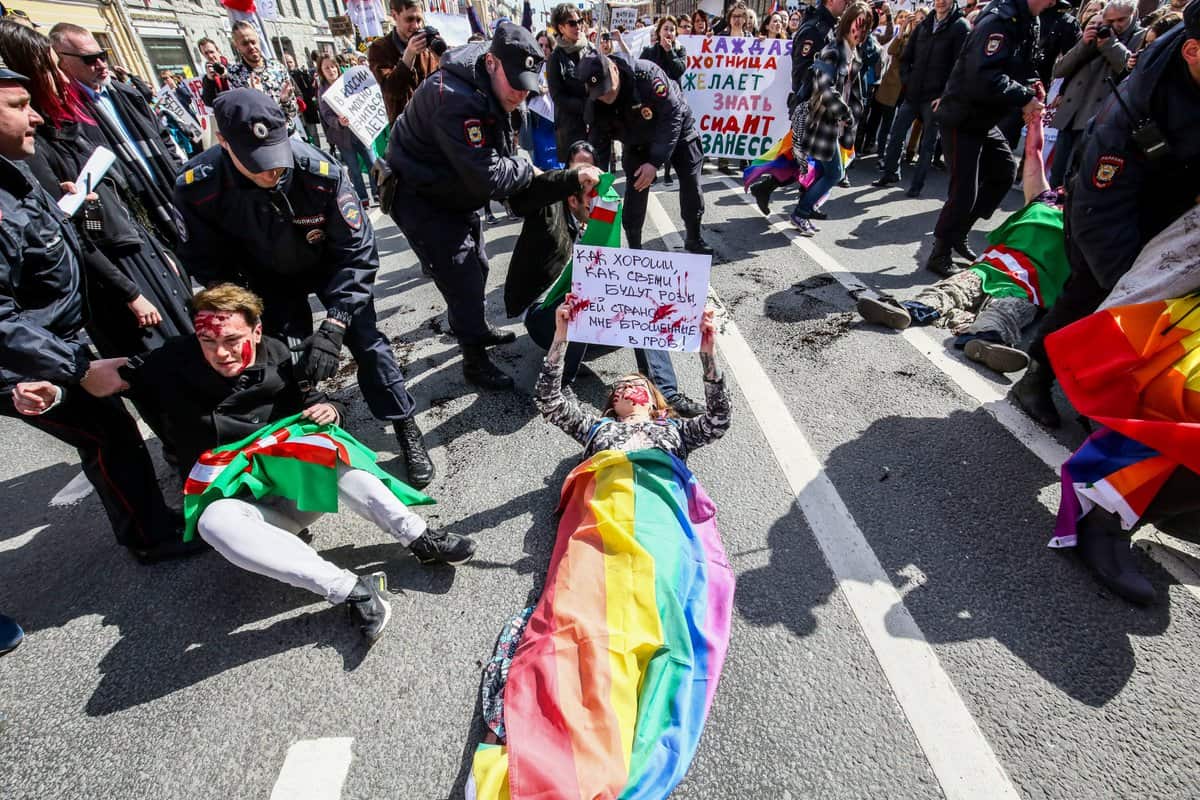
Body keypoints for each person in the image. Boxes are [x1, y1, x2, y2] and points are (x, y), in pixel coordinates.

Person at [56, 284, 470, 640]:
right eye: (209, 342)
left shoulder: (280, 354)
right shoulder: (170, 361)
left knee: (326, 445)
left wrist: (331, 410)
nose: (221, 352)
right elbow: (100, 375)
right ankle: (351, 590)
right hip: (243, 505)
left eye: (233, 339)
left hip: (297, 491)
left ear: (255, 331)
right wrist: (52, 388)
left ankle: (419, 537)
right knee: (212, 523)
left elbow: (315, 405)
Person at [173, 89, 434, 488]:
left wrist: (335, 324)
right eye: (257, 164)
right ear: (223, 142)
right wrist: (246, 309)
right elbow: (208, 266)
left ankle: (402, 421)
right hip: (263, 279)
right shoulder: (199, 187)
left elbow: (358, 254)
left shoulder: (319, 172)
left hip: (331, 265)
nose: (270, 173)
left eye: (275, 160)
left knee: (366, 342)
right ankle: (307, 424)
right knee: (282, 353)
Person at [0, 57, 196, 563]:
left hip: (53, 343)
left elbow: (64, 247)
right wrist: (79, 369)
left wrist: (78, 210)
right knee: (107, 432)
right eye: (18, 106)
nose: (36, 117)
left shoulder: (16, 175)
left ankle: (152, 522)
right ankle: (149, 538)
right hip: (26, 360)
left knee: (113, 431)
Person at [1012, 1, 1200, 428]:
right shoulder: (1136, 109)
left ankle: (1097, 389)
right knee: (1094, 290)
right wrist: (1127, 280)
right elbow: (1103, 207)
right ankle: (1038, 374)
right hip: (1108, 197)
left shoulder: (1189, 56)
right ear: (1192, 52)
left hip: (1170, 199)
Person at [0, 21, 193, 385]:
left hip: (140, 253)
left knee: (190, 353)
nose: (62, 76)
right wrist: (131, 293)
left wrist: (156, 246)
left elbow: (98, 212)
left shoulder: (67, 126)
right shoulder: (32, 148)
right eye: (51, 67)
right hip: (117, 278)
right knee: (163, 376)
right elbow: (74, 240)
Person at [387, 23, 545, 392]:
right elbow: (489, 177)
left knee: (479, 263)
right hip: (419, 195)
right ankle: (474, 360)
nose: (521, 94)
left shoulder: (489, 81)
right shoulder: (455, 98)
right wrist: (526, 167)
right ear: (491, 62)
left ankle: (474, 326)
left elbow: (498, 149)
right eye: (516, 84)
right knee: (461, 275)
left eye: (527, 86)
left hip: (453, 186)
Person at [856, 107, 1069, 373]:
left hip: (1033, 284)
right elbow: (1033, 153)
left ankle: (985, 342)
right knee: (954, 289)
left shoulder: (1086, 226)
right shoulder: (1042, 198)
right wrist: (1036, 120)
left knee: (1006, 310)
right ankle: (906, 311)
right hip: (991, 267)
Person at [508, 140, 707, 415]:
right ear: (567, 173)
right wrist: (541, 175)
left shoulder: (605, 212)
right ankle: (560, 385)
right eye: (579, 172)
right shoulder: (548, 207)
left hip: (588, 330)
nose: (586, 183)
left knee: (643, 306)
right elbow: (520, 200)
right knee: (585, 293)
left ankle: (666, 393)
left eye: (591, 173)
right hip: (545, 320)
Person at [926, 0, 1052, 278]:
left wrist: (1033, 85)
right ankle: (940, 252)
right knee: (963, 191)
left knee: (1004, 173)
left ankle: (960, 232)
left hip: (984, 118)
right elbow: (983, 77)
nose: (1053, 4)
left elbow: (1023, 64)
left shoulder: (1028, 21)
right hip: (962, 115)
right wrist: (1024, 96)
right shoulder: (998, 22)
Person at [49, 23, 183, 249]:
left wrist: (179, 171)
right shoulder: (67, 113)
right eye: (89, 59)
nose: (101, 64)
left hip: (172, 197)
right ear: (63, 61)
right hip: (132, 220)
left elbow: (164, 139)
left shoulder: (128, 95)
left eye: (103, 55)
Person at [577, 48, 714, 254]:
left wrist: (655, 162)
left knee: (690, 181)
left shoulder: (647, 76)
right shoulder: (596, 102)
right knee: (636, 190)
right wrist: (596, 181)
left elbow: (672, 116)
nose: (606, 96)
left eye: (608, 88)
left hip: (676, 130)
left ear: (614, 69)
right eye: (599, 93)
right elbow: (598, 143)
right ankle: (635, 251)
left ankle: (694, 238)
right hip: (636, 141)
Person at [788, 3, 872, 235]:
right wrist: (844, 112)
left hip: (835, 124)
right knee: (834, 173)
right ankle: (801, 212)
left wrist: (852, 113)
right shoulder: (834, 49)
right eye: (857, 23)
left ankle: (804, 210)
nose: (860, 29)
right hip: (822, 121)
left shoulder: (852, 52)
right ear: (848, 23)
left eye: (865, 25)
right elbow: (823, 87)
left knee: (826, 172)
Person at [873, 0, 969, 197]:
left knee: (927, 143)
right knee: (897, 134)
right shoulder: (924, 24)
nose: (941, 2)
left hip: (935, 98)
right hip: (913, 93)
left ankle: (917, 185)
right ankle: (890, 174)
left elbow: (961, 67)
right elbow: (906, 57)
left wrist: (945, 95)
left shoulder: (960, 27)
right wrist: (907, 80)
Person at [1048, 0, 1144, 189]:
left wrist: (1111, 44)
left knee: (1075, 179)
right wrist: (1084, 44)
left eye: (1121, 20)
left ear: (1134, 14)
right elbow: (1059, 70)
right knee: (1057, 175)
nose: (1115, 25)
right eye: (1110, 21)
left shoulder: (1140, 37)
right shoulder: (1094, 31)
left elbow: (1131, 73)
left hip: (1099, 118)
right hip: (1071, 114)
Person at [316, 55, 377, 206]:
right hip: (343, 137)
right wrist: (338, 122)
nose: (331, 70)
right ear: (321, 72)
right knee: (354, 170)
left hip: (361, 130)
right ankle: (363, 198)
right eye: (326, 68)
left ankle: (378, 193)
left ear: (337, 67)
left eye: (332, 66)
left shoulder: (350, 81)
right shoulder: (322, 91)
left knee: (372, 163)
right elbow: (326, 115)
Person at [367, 0, 441, 124]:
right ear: (395, 16)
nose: (416, 26)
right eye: (409, 19)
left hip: (434, 125)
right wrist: (409, 55)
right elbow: (392, 91)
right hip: (405, 130)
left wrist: (442, 57)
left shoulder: (427, 46)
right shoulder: (379, 48)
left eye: (419, 20)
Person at [639, 16, 687, 186]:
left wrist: (670, 52)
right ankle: (652, 170)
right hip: (654, 102)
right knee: (653, 136)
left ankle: (667, 171)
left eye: (672, 30)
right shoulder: (649, 52)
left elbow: (679, 70)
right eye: (665, 29)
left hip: (673, 103)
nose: (669, 33)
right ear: (659, 32)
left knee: (671, 136)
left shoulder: (680, 51)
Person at [226, 21, 299, 131]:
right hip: (262, 139)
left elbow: (293, 111)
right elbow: (240, 117)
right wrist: (256, 97)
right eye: (245, 43)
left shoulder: (277, 67)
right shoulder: (233, 75)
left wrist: (285, 101)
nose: (251, 47)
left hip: (287, 132)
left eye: (253, 41)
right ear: (237, 46)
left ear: (258, 40)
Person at [547, 3, 592, 159]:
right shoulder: (555, 58)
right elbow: (557, 95)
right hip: (571, 127)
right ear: (561, 28)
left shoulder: (590, 49)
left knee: (599, 176)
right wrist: (584, 107)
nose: (578, 26)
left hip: (595, 124)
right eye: (572, 23)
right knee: (577, 176)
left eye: (579, 21)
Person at [1034, 0, 1081, 88]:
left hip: (1040, 80)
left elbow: (1071, 62)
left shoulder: (1067, 22)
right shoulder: (1027, 11)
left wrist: (1062, 90)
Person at [284, 53, 321, 147]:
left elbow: (310, 90)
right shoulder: (284, 77)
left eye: (290, 62)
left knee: (313, 133)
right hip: (294, 113)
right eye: (286, 62)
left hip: (307, 109)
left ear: (294, 62)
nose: (289, 64)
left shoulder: (302, 74)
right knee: (302, 137)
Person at [197, 37, 230, 107]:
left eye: (212, 52)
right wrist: (209, 80)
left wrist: (227, 75)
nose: (210, 56)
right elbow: (208, 102)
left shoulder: (232, 68)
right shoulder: (207, 78)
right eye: (206, 53)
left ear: (217, 50)